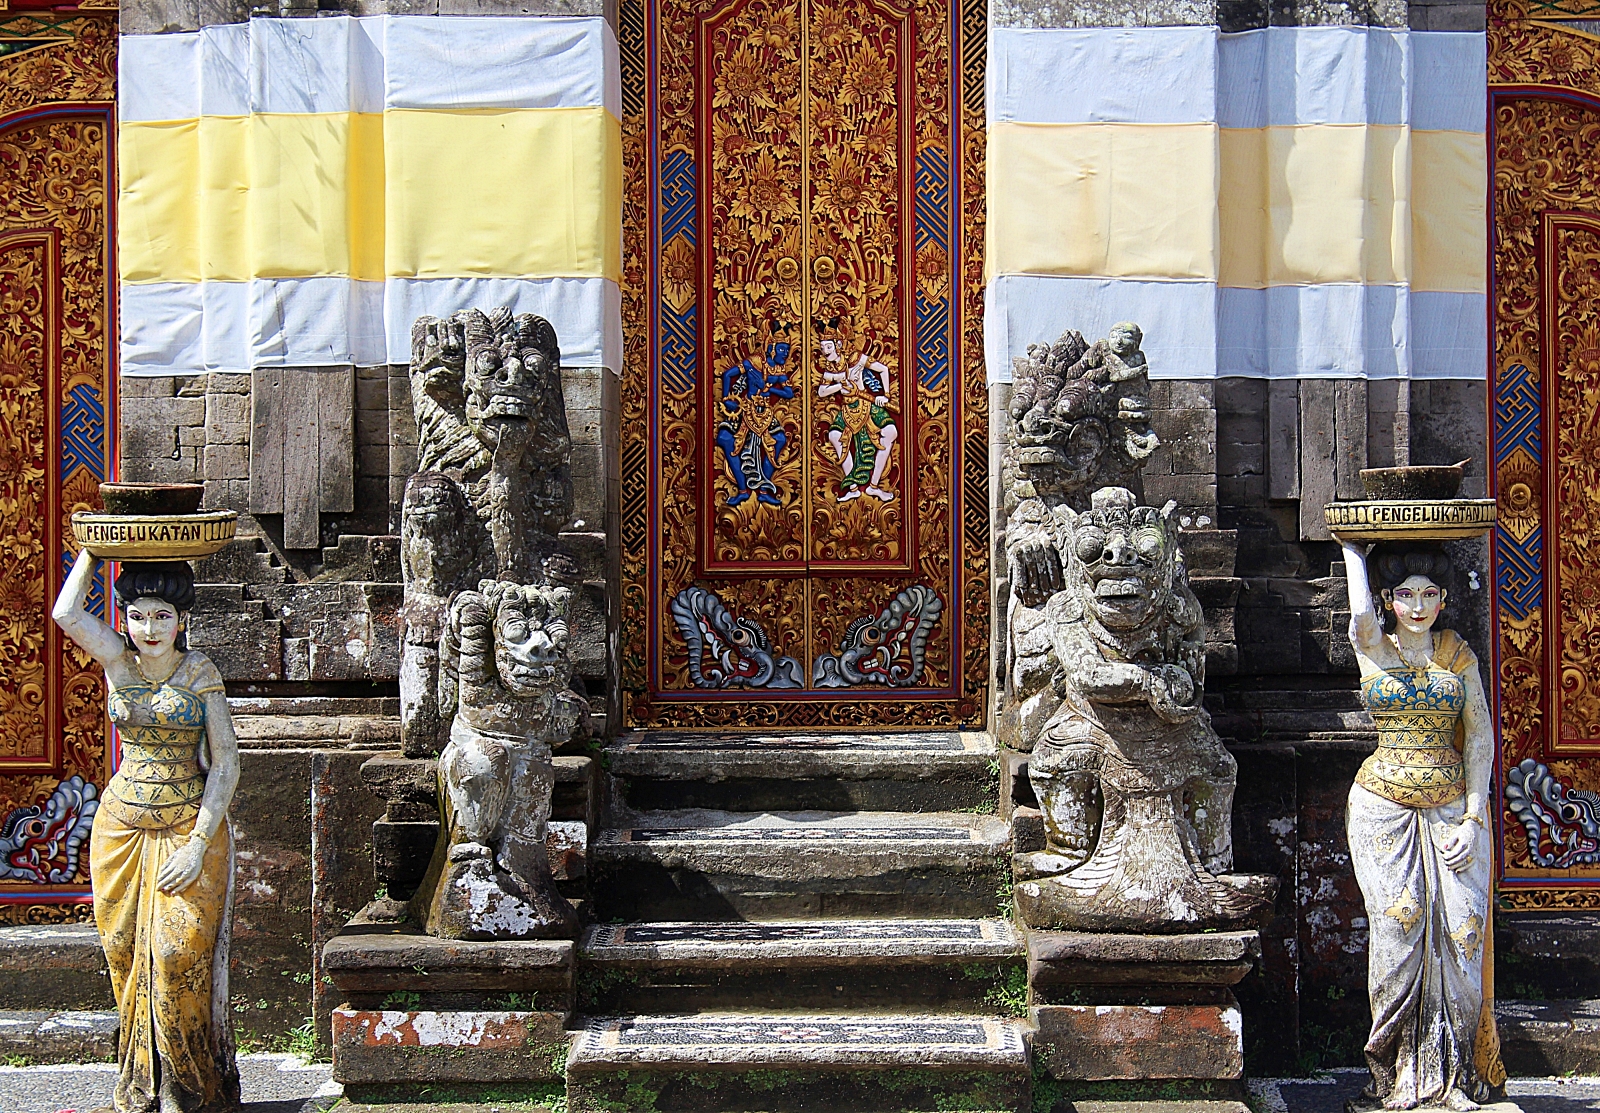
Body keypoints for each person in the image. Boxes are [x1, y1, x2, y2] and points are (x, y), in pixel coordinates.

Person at [53, 549, 241, 1113]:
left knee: (177, 955)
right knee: (124, 954)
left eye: (162, 616)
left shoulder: (199, 672)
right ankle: (142, 1087)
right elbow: (66, 614)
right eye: (137, 615)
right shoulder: (118, 662)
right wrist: (92, 549)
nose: (149, 629)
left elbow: (227, 763)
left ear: (182, 619)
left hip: (187, 830)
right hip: (120, 830)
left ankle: (190, 1090)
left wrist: (199, 842)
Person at [1339, 540, 1503, 1111]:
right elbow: (1360, 615)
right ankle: (1395, 1077)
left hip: (1454, 810)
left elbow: (1479, 735)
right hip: (1383, 809)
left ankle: (1453, 1078)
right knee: (1399, 932)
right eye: (1404, 594)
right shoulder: (1373, 646)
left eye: (1429, 594)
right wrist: (1352, 551)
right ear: (1388, 599)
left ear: (1444, 599)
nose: (1417, 605)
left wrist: (1475, 815)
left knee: (1463, 936)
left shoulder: (1457, 654)